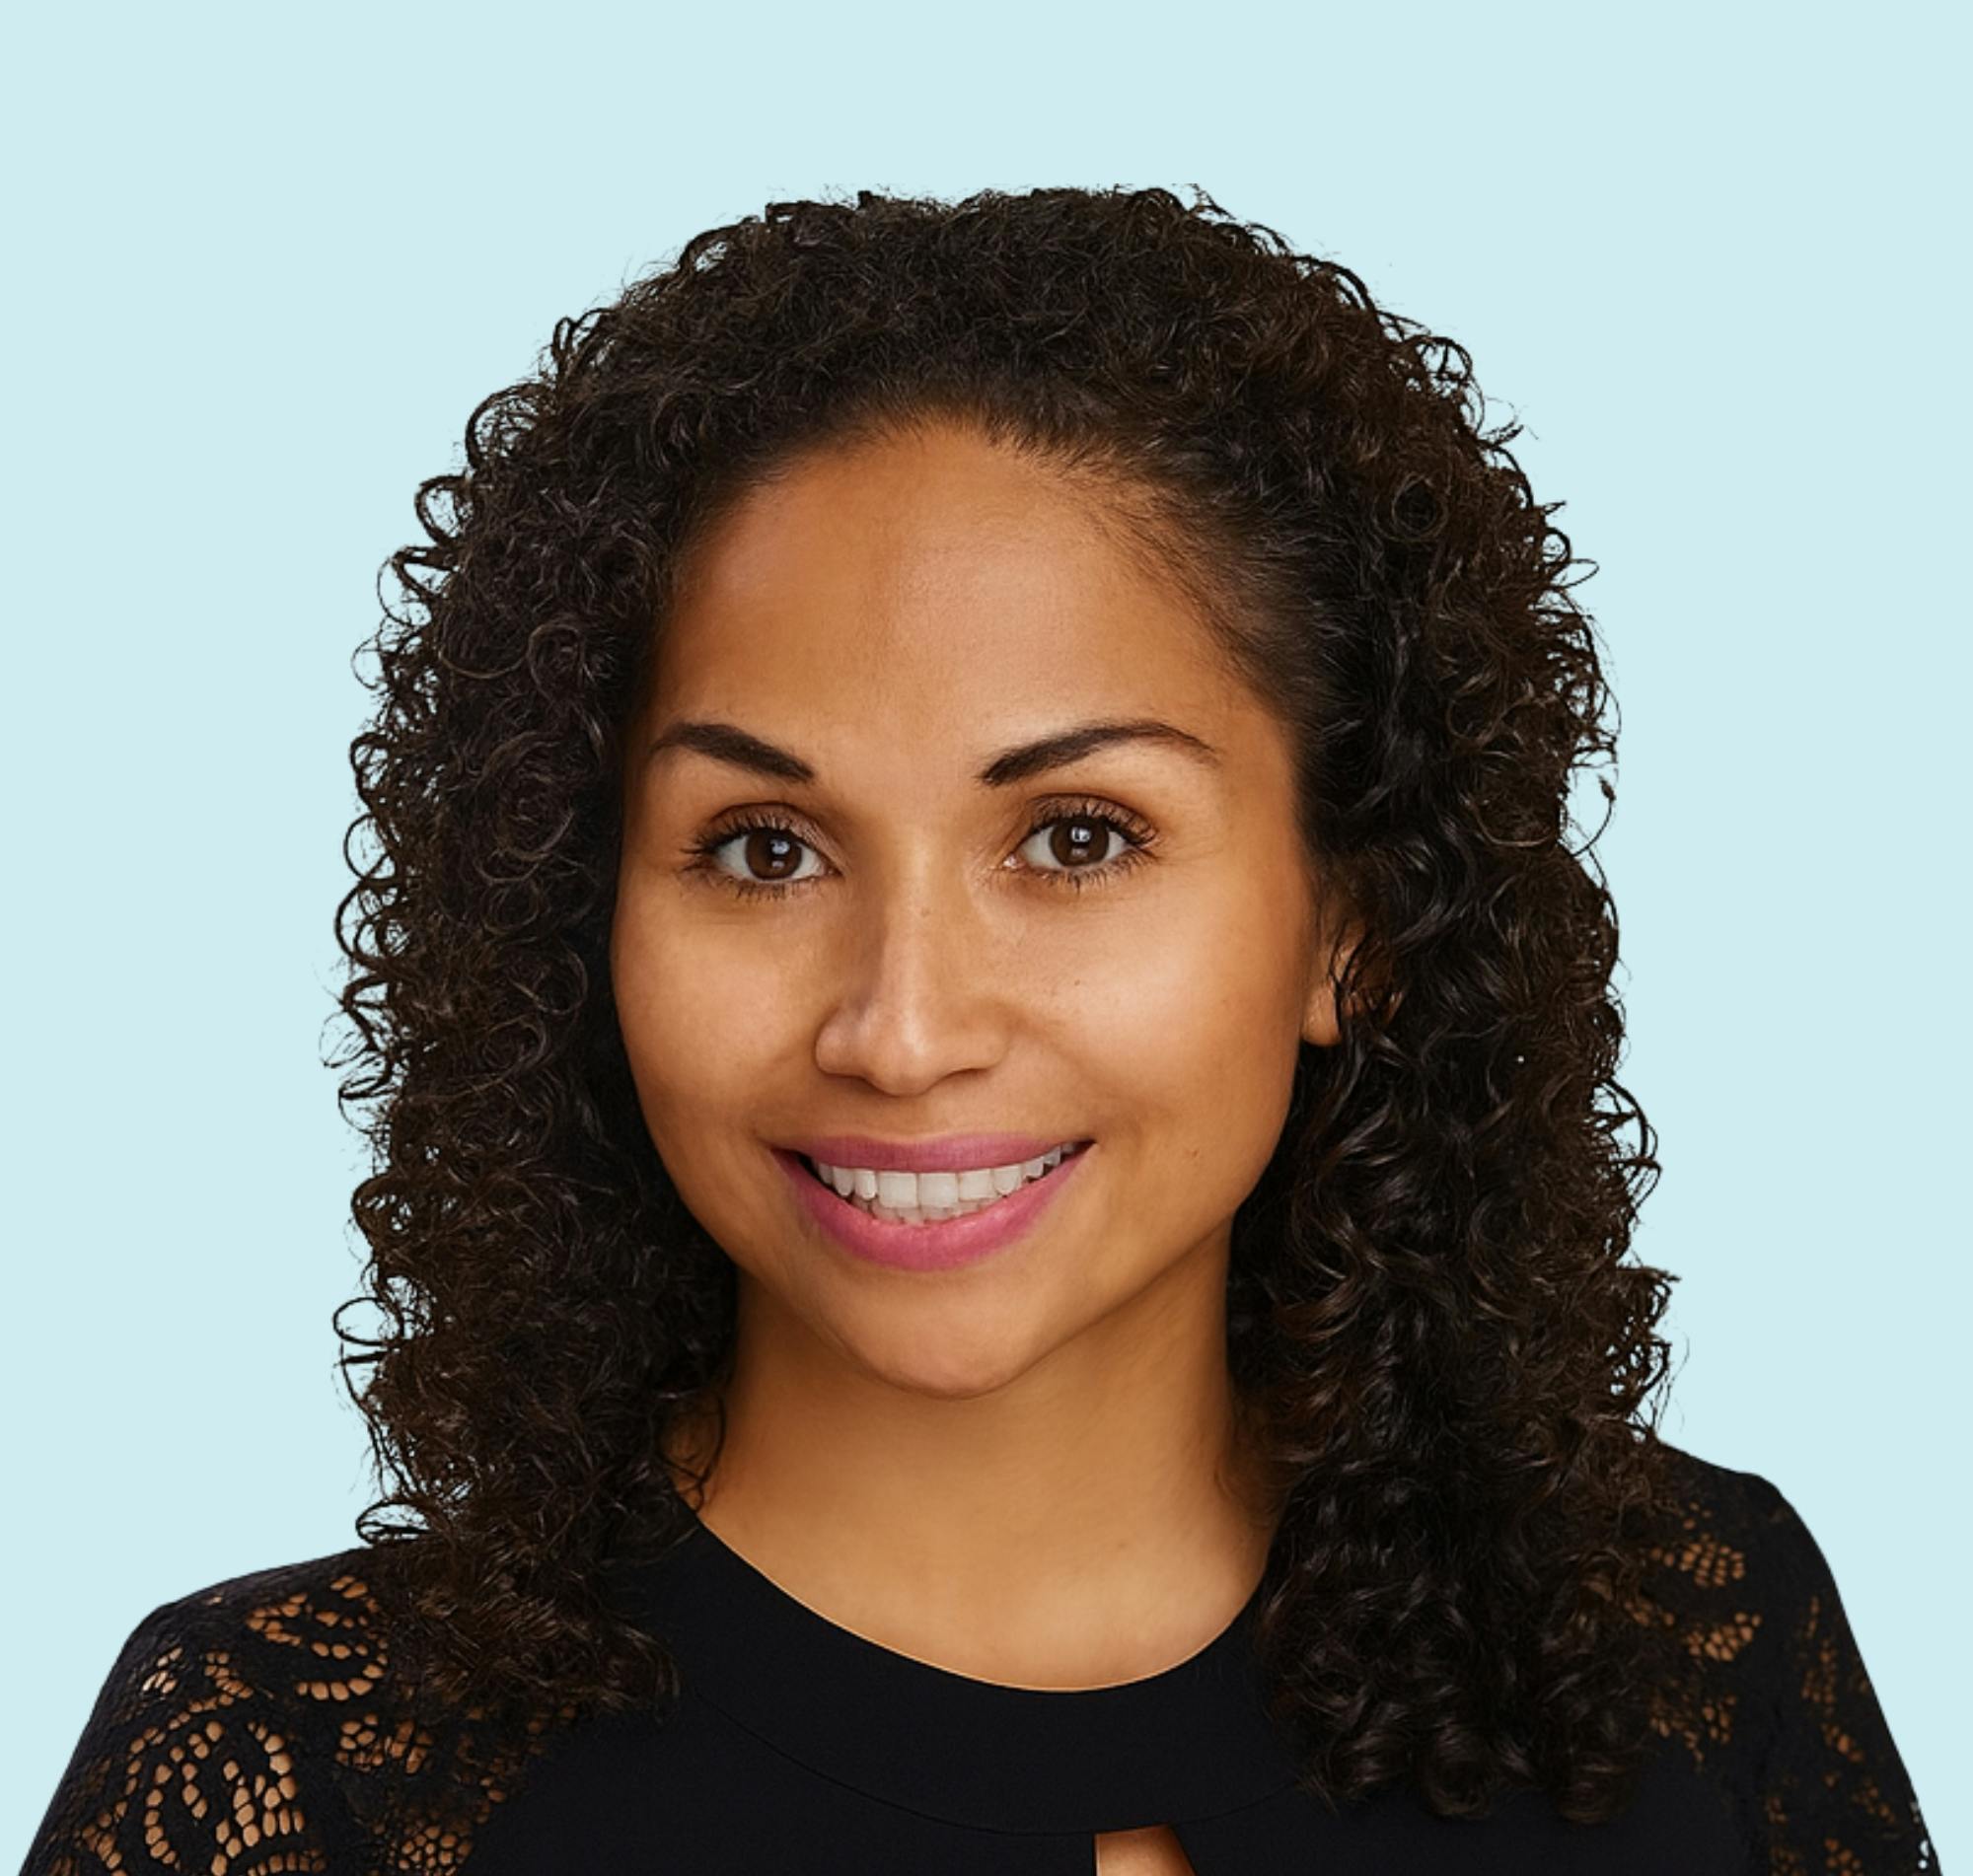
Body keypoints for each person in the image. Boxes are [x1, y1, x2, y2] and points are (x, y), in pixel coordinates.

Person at [22, 184, 1936, 1876]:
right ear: (577, 915)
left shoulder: (1689, 1644)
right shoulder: (306, 1779)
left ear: (1348, 918)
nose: (903, 1026)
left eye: (1077, 837)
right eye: (763, 848)